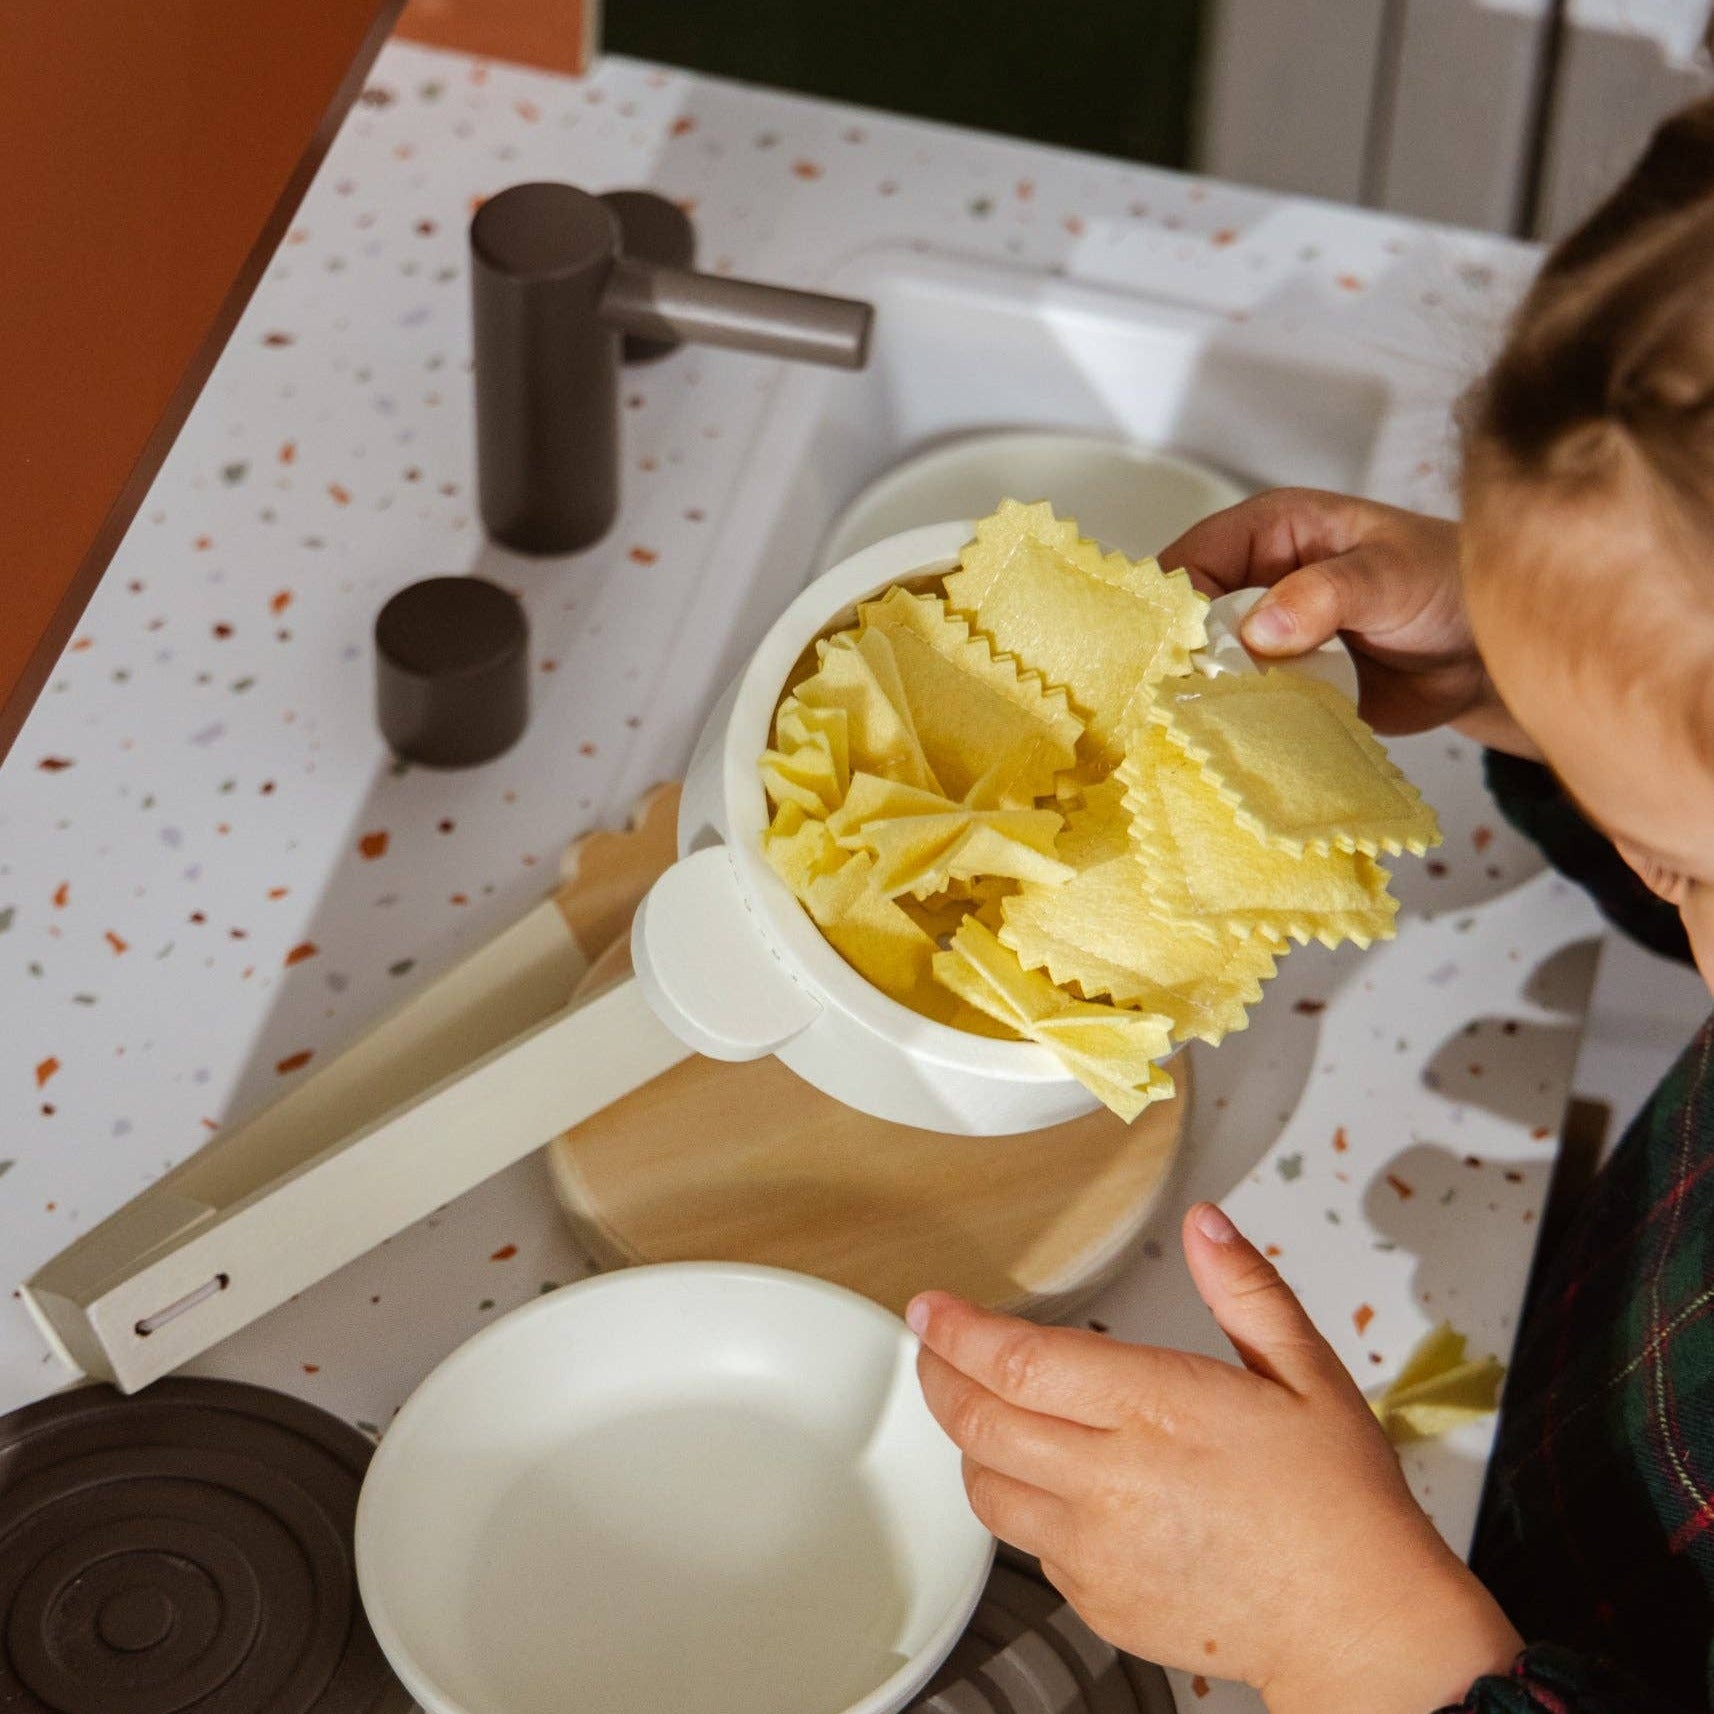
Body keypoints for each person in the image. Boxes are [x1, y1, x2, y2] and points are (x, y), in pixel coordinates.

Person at [906, 94, 1714, 1714]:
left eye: (1680, 864)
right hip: (1539, 1476)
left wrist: (1361, 1644)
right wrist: (1542, 664)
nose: (1661, 880)